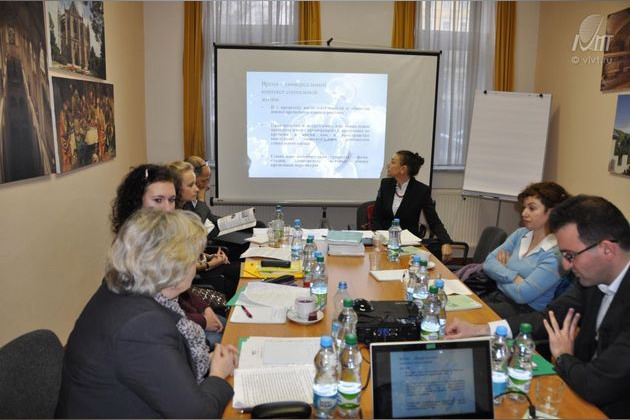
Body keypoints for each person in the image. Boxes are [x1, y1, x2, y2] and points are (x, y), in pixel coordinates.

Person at [446, 195, 630, 418]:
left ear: (607, 250)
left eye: (570, 255)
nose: (565, 266)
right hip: (579, 392)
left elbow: (596, 385)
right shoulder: (592, 279)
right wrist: (479, 330)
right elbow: (547, 318)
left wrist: (563, 356)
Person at [56, 209, 238, 418]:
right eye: (194, 258)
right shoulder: (143, 326)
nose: (195, 266)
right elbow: (196, 414)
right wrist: (217, 376)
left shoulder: (121, 290)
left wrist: (208, 360)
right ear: (174, 267)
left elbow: (156, 367)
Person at [110, 164, 226, 343]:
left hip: (179, 315)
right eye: (158, 200)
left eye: (171, 200)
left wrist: (205, 308)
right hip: (159, 327)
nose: (167, 208)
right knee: (219, 335)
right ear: (137, 201)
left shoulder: (165, 234)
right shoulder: (133, 247)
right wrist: (203, 320)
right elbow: (160, 309)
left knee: (226, 324)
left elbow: (180, 293)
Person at [480, 181, 570, 317]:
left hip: (524, 312)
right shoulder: (521, 233)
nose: (523, 213)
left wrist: (499, 273)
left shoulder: (556, 253)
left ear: (552, 212)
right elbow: (488, 263)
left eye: (531, 208)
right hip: (498, 296)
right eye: (524, 208)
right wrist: (514, 277)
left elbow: (521, 295)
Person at [168, 161, 240, 298]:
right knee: (238, 274)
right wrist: (209, 264)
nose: (197, 189)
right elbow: (179, 266)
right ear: (176, 189)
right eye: (191, 185)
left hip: (201, 265)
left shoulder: (186, 207)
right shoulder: (173, 220)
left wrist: (209, 257)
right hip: (191, 278)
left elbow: (189, 251)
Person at [372, 150, 453, 261]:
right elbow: (376, 217)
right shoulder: (385, 184)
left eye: (393, 162)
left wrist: (445, 242)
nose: (388, 165)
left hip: (409, 247)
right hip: (384, 245)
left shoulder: (421, 190)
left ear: (403, 169)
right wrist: (381, 238)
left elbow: (434, 221)